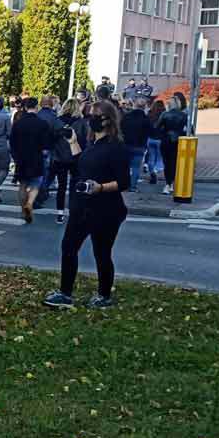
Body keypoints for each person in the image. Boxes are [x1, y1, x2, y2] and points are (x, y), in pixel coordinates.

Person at [43, 100, 130, 309]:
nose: (90, 119)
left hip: (106, 210)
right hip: (82, 208)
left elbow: (124, 182)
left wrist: (100, 187)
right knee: (69, 247)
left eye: (94, 115)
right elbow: (80, 167)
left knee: (102, 253)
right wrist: (73, 142)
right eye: (89, 115)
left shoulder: (115, 147)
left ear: (107, 120)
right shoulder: (93, 145)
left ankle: (104, 296)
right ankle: (65, 293)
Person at [9, 96, 50, 224]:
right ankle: (30, 202)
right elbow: (46, 144)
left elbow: (12, 142)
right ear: (36, 107)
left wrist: (15, 156)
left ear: (25, 107)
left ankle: (23, 210)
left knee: (22, 185)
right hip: (36, 157)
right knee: (36, 184)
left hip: (21, 158)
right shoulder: (42, 124)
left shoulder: (18, 124)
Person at [51, 99, 87, 224]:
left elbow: (51, 139)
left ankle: (60, 214)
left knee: (61, 187)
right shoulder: (81, 122)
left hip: (60, 157)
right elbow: (84, 141)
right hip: (75, 157)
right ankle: (73, 211)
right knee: (74, 186)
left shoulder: (56, 121)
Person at [33, 95, 61, 209]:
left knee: (37, 173)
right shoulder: (54, 116)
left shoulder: (36, 115)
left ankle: (38, 195)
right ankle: (41, 195)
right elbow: (57, 132)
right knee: (46, 173)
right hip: (48, 148)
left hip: (36, 148)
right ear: (51, 104)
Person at [157, 96, 188, 196]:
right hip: (179, 141)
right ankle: (171, 182)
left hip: (166, 140)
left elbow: (157, 127)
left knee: (167, 163)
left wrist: (162, 133)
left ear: (169, 104)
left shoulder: (165, 114)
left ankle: (168, 183)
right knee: (174, 162)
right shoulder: (183, 115)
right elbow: (189, 129)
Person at [120, 97, 150, 192]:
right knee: (136, 167)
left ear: (134, 105)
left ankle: (124, 185)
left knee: (125, 167)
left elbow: (121, 128)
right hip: (140, 146)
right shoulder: (146, 119)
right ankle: (133, 187)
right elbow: (151, 131)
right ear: (144, 107)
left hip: (126, 144)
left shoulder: (127, 117)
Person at [146, 99, 166, 185]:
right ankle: (156, 171)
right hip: (160, 139)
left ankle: (152, 172)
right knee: (159, 158)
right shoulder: (164, 114)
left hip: (150, 138)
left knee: (151, 157)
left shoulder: (149, 114)